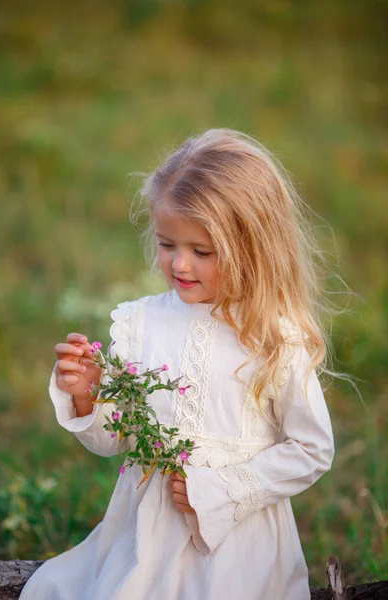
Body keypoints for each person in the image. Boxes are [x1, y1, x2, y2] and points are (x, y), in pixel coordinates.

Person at [20, 129, 335, 600]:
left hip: (236, 547)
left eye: (201, 251)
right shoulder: (143, 322)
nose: (180, 265)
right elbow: (119, 437)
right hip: (144, 539)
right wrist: (89, 394)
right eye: (168, 245)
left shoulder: (274, 336)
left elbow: (312, 449)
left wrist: (226, 489)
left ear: (253, 247)